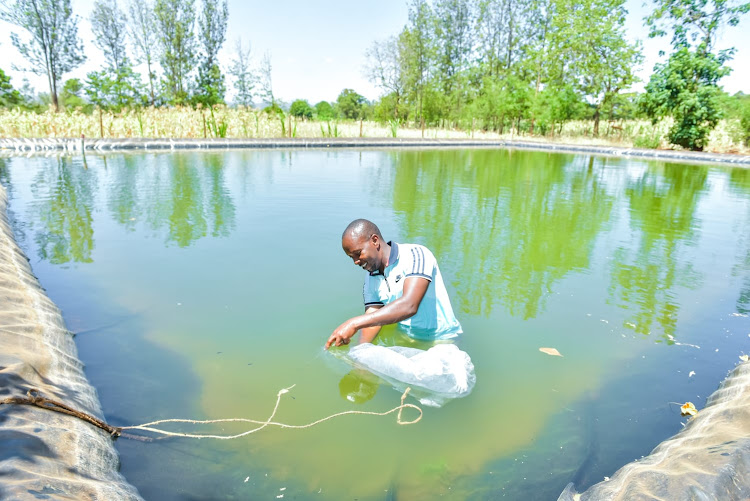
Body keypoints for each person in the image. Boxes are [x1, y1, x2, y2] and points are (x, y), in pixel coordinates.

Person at [325, 219, 462, 349]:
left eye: (358, 253)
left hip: (442, 339)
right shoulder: (370, 277)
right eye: (351, 257)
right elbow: (372, 320)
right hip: (404, 339)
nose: (355, 261)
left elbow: (409, 305)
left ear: (374, 240)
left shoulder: (416, 254)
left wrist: (354, 323)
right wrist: (359, 351)